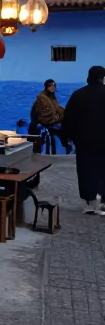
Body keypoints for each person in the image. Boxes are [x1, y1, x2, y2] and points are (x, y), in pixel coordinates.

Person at [60, 65, 105, 214]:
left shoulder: (78, 95)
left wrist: (66, 138)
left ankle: (89, 202)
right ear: (102, 77)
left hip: (84, 142)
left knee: (86, 170)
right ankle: (103, 202)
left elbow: (69, 118)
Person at [29, 79, 71, 153]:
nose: (52, 87)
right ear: (46, 87)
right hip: (44, 122)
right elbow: (45, 114)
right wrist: (58, 118)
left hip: (51, 121)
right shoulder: (42, 99)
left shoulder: (52, 98)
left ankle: (66, 145)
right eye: (50, 86)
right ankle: (66, 145)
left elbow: (56, 108)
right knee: (62, 129)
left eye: (54, 86)